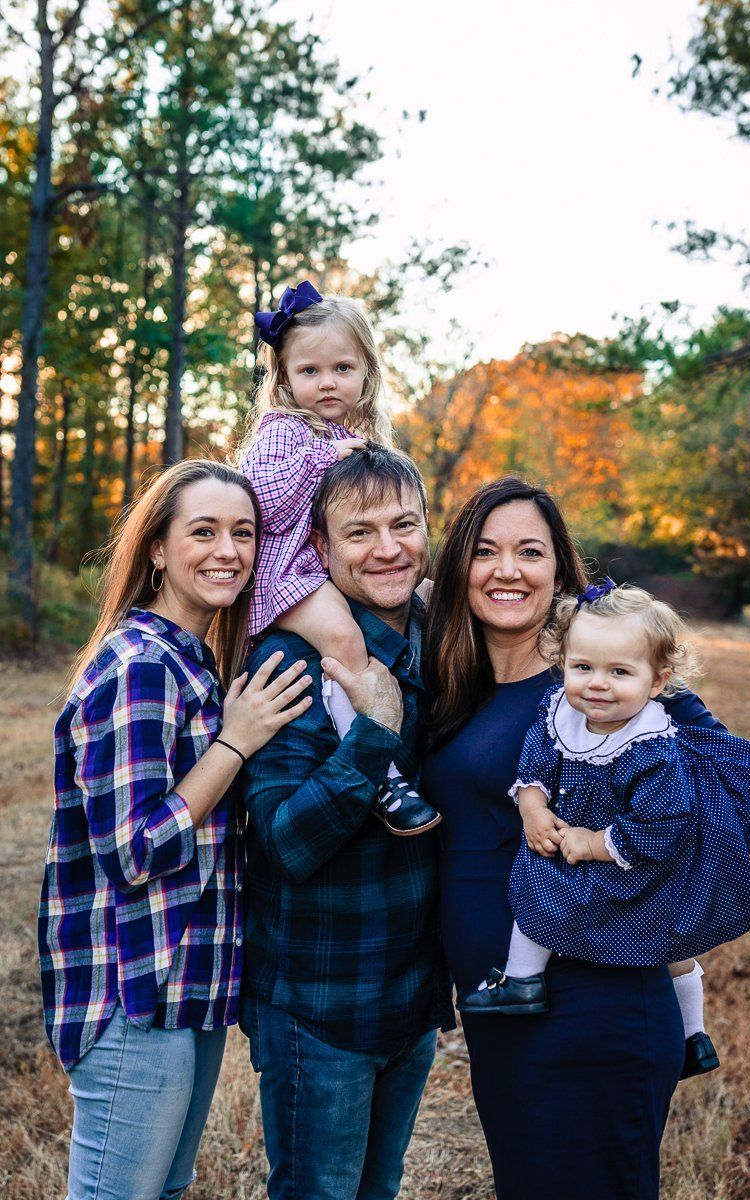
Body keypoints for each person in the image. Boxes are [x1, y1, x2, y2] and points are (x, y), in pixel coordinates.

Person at [423, 476, 750, 1200]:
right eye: (485, 551)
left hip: (597, 996)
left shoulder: (610, 676)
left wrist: (617, 838)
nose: (507, 569)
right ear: (459, 565)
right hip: (500, 1004)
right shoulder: (451, 675)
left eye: (530, 550)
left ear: (560, 568)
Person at [39, 460, 313, 1200]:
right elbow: (135, 849)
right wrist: (236, 742)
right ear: (158, 549)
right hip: (136, 989)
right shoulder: (141, 667)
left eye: (244, 533)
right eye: (204, 532)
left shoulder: (195, 664)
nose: (229, 550)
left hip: (187, 985)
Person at [239, 446, 454, 1200]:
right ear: (320, 548)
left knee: (379, 1190)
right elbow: (285, 841)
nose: (388, 548)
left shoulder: (443, 636)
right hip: (321, 1002)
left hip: (411, 995)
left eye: (405, 525)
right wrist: (374, 731)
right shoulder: (289, 660)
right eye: (360, 532)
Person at [459, 580, 750, 1082]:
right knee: (647, 932)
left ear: (658, 680)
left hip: (631, 863)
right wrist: (533, 808)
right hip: (586, 850)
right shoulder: (560, 714)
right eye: (583, 668)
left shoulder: (652, 748)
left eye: (619, 672)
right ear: (564, 665)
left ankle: (531, 984)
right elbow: (535, 763)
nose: (597, 684)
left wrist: (593, 842)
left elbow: (662, 826)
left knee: (555, 894)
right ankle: (685, 1037)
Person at [236, 279, 439, 835]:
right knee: (346, 643)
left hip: (312, 570)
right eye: (310, 371)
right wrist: (323, 456)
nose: (327, 383)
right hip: (283, 574)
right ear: (284, 378)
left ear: (366, 372)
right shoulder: (282, 431)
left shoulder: (352, 432)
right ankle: (381, 773)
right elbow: (263, 505)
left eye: (342, 369)